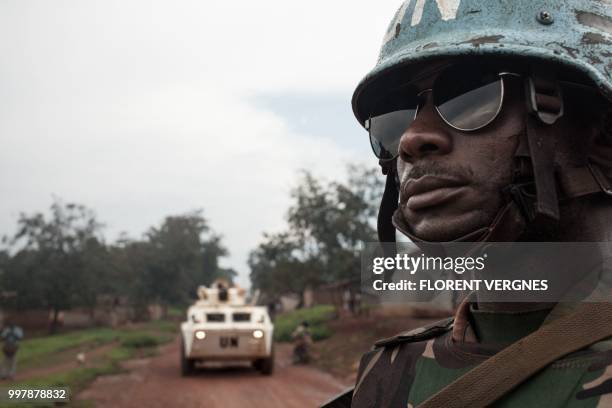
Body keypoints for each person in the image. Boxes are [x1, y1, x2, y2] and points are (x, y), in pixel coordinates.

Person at [323, 0, 612, 407]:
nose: (411, 138)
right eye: (394, 117)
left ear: (602, 135)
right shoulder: (389, 373)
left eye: (471, 94)